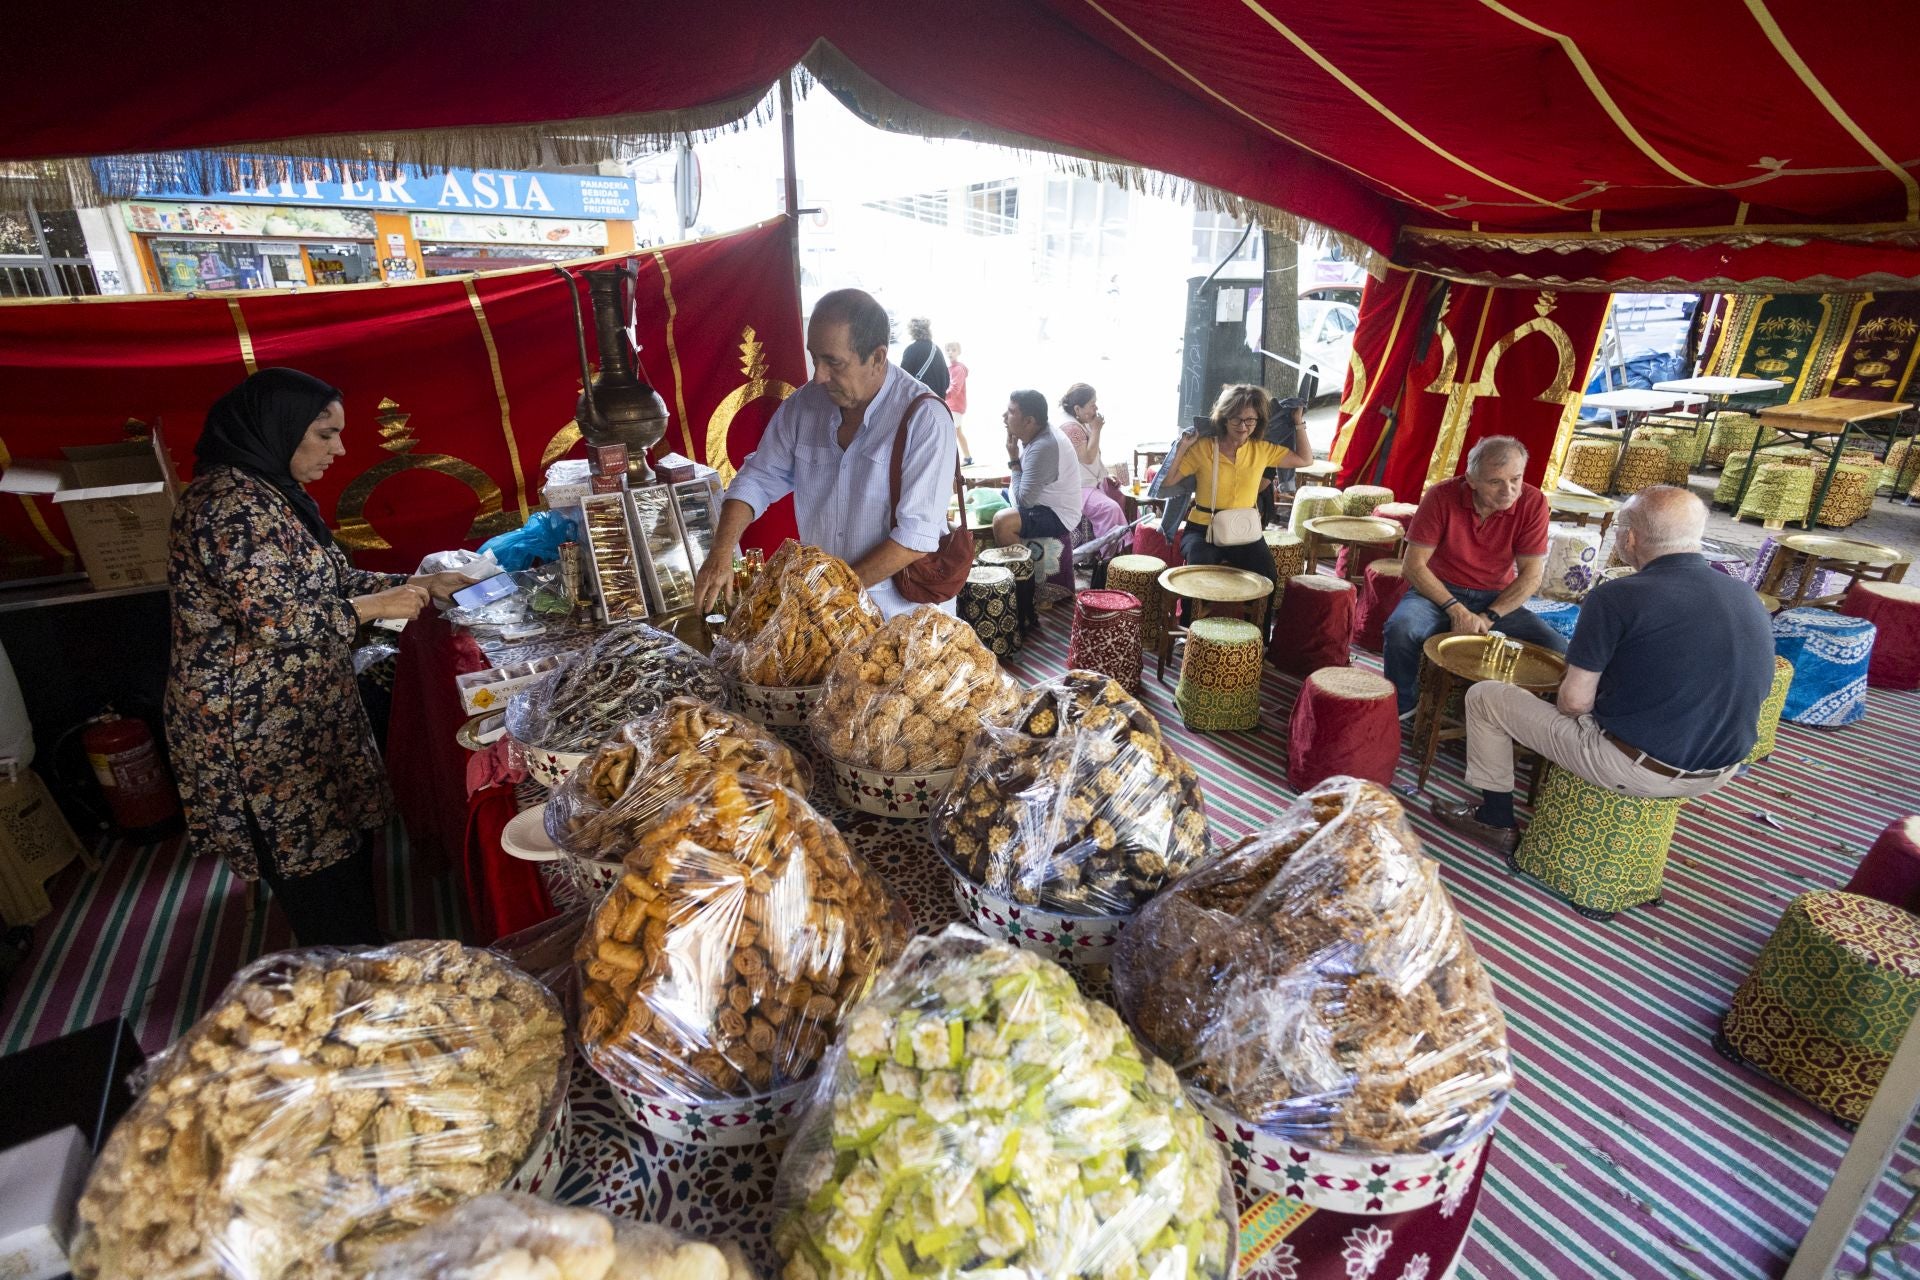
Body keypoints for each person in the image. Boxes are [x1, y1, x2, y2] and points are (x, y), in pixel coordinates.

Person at [164, 368, 473, 946]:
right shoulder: (229, 507)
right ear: (276, 430)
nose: (340, 449)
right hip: (255, 729)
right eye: (325, 434)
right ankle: (341, 970)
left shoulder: (271, 494)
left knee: (341, 846)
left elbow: (330, 582)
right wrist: (377, 605)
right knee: (310, 867)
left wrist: (418, 584)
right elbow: (277, 621)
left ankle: (363, 950)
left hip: (302, 708)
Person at [1430, 486, 1775, 852]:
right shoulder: (1745, 595)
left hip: (1641, 769)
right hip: (1723, 768)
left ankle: (1494, 819)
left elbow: (1574, 704)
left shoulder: (1616, 596)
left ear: (1629, 538)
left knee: (1486, 697)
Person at [693, 289, 959, 619]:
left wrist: (830, 595)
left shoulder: (925, 418)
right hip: (825, 610)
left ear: (877, 358)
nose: (818, 376)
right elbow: (757, 479)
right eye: (814, 358)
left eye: (833, 362)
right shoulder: (805, 405)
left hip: (901, 617)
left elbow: (914, 538)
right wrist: (720, 553)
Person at [1382, 435, 1567, 717]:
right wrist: (1456, 610)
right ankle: (1403, 707)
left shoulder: (1533, 502)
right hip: (1437, 592)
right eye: (1495, 482)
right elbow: (1413, 566)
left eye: (1516, 479)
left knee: (1557, 650)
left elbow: (1531, 576)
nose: (1508, 491)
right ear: (1471, 480)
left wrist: (1488, 617)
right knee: (1400, 629)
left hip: (1496, 598)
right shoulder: (1441, 496)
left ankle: (1525, 720)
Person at [1160, 383, 1313, 580]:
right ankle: (1195, 602)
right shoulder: (1204, 448)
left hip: (1244, 530)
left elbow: (1305, 459)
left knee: (1267, 576)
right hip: (1203, 529)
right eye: (1236, 419)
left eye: (1250, 420)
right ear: (1224, 418)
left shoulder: (1262, 449)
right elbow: (1168, 482)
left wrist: (1298, 422)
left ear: (1258, 421)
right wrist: (1182, 447)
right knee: (1199, 572)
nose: (1242, 427)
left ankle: (1260, 603)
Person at [991, 390, 1083, 549]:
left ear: (1029, 421)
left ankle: (1022, 565)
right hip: (1037, 501)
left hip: (1057, 514)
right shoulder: (1030, 433)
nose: (1004, 416)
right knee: (982, 497)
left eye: (1011, 412)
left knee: (1003, 522)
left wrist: (1014, 460)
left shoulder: (1044, 446)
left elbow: (1024, 502)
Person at [1057, 382, 1127, 540]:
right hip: (1077, 488)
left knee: (1121, 495)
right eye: (1092, 404)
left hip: (1089, 482)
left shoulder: (1081, 422)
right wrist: (1096, 429)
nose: (1096, 408)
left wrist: (1105, 475)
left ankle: (1127, 544)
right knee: (1111, 508)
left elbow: (1093, 457)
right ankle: (1110, 549)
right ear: (1077, 409)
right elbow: (1088, 459)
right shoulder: (1070, 428)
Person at [900, 316, 950, 397]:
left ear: (912, 331)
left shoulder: (911, 350)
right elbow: (946, 380)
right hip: (937, 400)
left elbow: (903, 379)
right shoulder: (937, 349)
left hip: (919, 400)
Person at [944, 341, 972, 464]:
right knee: (958, 432)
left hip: (956, 406)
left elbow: (955, 389)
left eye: (953, 350)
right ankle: (968, 457)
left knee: (952, 435)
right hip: (952, 405)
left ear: (959, 352)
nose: (950, 352)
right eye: (948, 350)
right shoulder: (949, 368)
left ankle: (951, 463)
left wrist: (941, 395)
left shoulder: (959, 369)